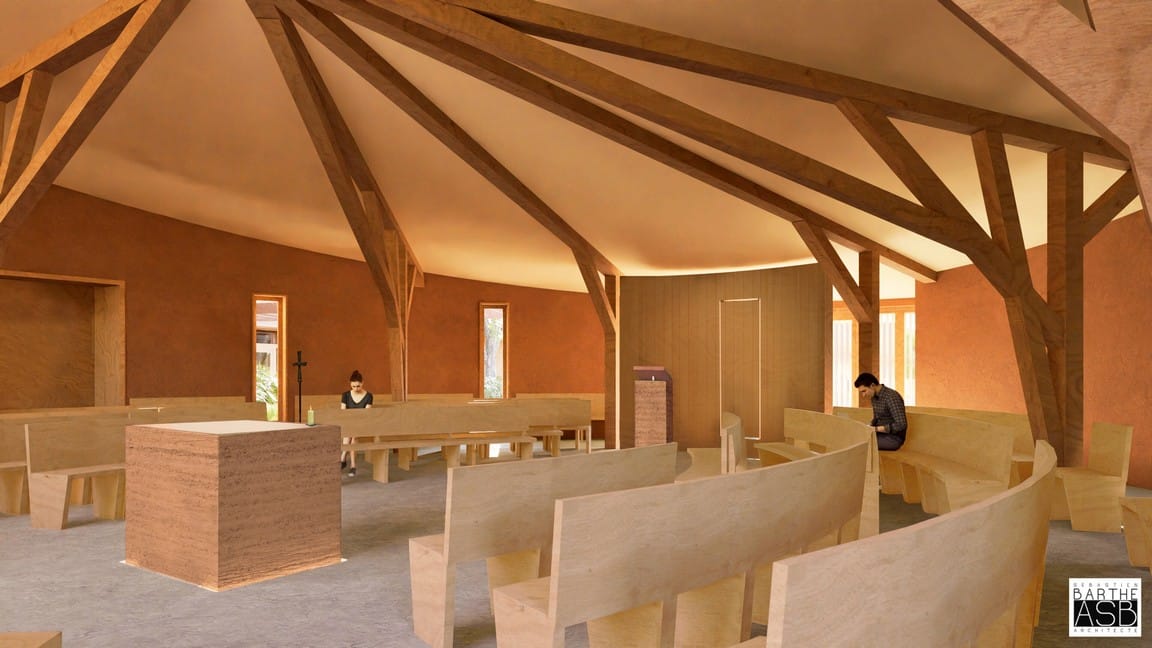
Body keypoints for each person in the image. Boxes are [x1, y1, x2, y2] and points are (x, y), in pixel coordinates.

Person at [854, 372, 907, 451]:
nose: (863, 395)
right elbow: (876, 418)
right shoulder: (874, 397)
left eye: (864, 391)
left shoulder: (891, 397)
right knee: (853, 436)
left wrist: (876, 429)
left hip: (894, 438)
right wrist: (868, 426)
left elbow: (901, 424)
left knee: (860, 443)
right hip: (880, 434)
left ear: (872, 385)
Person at [340, 369, 373, 477]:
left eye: (358, 386)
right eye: (353, 386)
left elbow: (366, 415)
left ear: (362, 383)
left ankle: (343, 458)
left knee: (352, 436)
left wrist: (355, 421)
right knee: (350, 436)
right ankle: (353, 466)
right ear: (350, 384)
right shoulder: (345, 395)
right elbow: (343, 413)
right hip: (348, 423)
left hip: (362, 424)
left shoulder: (369, 396)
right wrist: (350, 421)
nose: (356, 388)